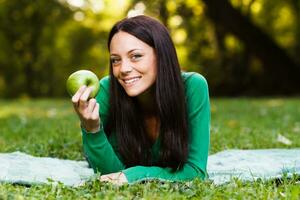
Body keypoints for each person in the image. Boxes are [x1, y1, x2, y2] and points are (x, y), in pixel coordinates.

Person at [71, 15, 210, 185]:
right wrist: (92, 129)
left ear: (161, 55)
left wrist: (134, 175)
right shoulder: (107, 89)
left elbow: (196, 172)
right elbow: (110, 177)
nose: (124, 69)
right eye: (116, 60)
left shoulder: (193, 87)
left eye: (135, 56)